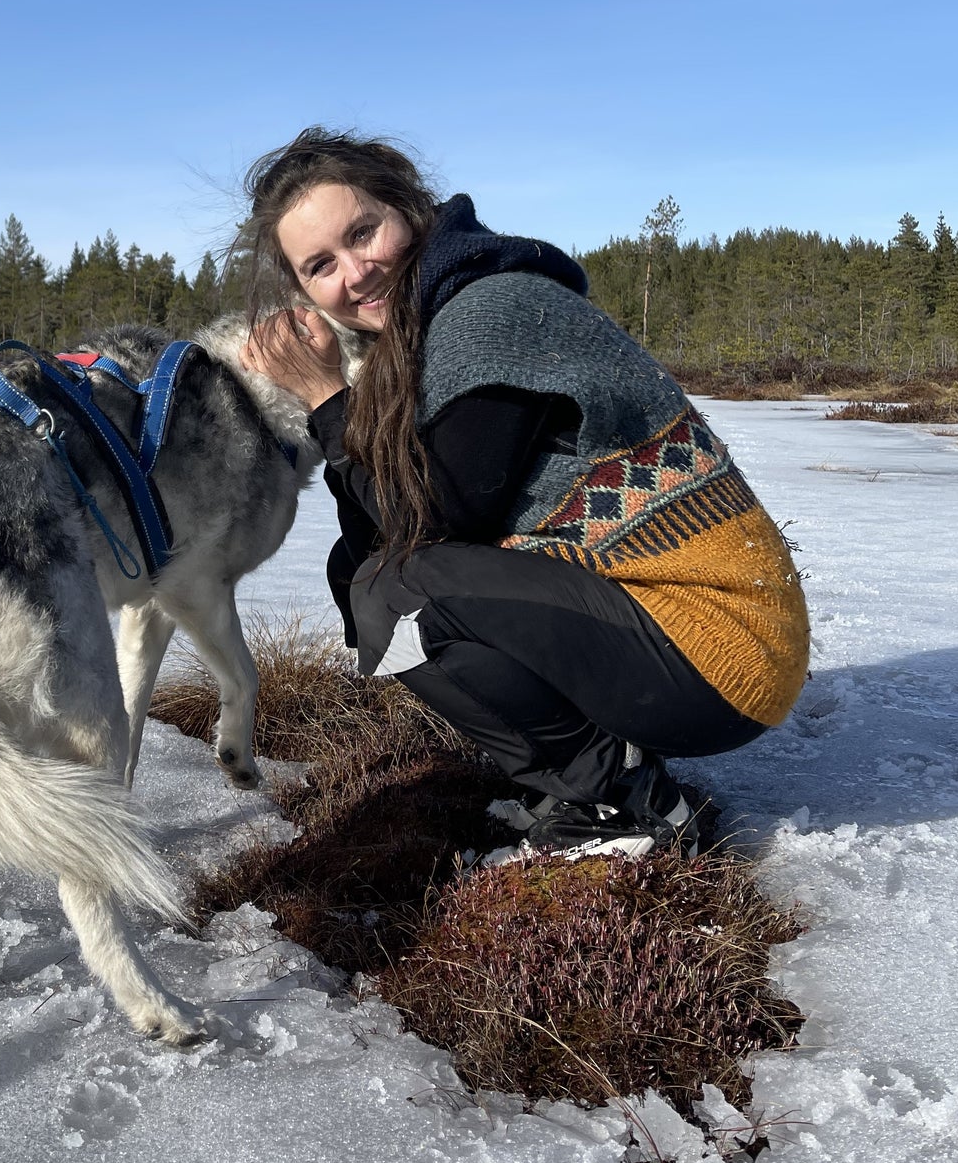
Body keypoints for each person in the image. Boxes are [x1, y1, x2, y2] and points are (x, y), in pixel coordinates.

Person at [237, 128, 809, 858]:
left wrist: (324, 398)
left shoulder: (490, 313)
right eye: (321, 265)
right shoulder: (425, 334)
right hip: (675, 634)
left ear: (408, 208)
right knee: (367, 578)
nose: (356, 271)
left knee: (403, 588)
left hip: (721, 650)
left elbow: (429, 520)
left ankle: (628, 801)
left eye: (363, 232)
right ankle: (581, 780)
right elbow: (372, 534)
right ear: (305, 293)